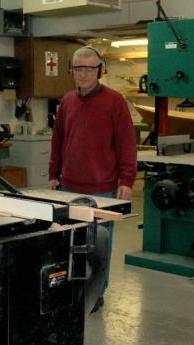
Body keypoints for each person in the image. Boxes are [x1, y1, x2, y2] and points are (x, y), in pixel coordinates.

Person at [48, 46, 137, 312]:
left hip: (103, 190)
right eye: (79, 68)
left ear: (100, 71)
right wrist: (53, 175)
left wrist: (126, 181)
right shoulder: (67, 101)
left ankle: (97, 292)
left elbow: (127, 144)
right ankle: (73, 289)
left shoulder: (115, 101)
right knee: (69, 242)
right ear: (71, 71)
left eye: (90, 68)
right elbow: (58, 141)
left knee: (99, 246)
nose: (84, 74)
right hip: (69, 187)